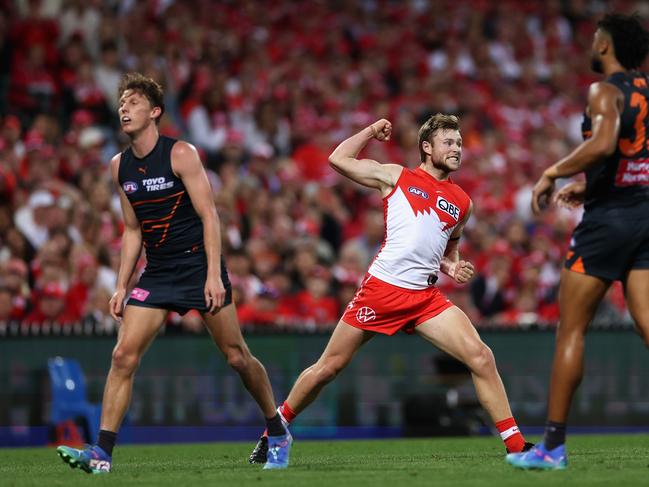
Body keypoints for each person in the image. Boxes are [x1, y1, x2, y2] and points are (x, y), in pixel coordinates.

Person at [249, 114, 532, 467]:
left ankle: (517, 446)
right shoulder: (397, 176)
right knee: (328, 367)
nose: (457, 149)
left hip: (425, 299)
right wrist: (370, 131)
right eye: (448, 142)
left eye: (459, 143)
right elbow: (338, 160)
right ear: (427, 148)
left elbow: (447, 248)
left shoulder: (462, 201)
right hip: (382, 290)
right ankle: (276, 431)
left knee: (481, 356)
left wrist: (452, 266)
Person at [56, 73, 289, 474]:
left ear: (155, 111)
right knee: (122, 355)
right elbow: (133, 230)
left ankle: (277, 430)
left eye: (133, 102)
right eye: (122, 102)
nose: (124, 108)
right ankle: (101, 454)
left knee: (236, 356)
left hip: (198, 266)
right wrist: (120, 285)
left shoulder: (181, 153)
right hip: (159, 272)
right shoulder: (119, 166)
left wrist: (213, 274)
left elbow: (209, 215)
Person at [507, 13, 649, 471]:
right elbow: (635, 157)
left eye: (594, 39)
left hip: (609, 224)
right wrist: (589, 187)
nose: (591, 45)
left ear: (606, 46)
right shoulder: (646, 89)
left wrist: (554, 171)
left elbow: (605, 143)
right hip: (645, 214)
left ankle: (552, 446)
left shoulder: (603, 90)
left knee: (571, 330)